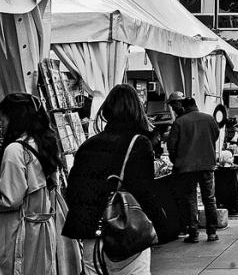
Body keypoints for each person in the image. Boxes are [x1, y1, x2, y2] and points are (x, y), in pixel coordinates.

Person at [0, 93, 79, 275]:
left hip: (17, 232)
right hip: (42, 231)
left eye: (3, 119)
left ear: (15, 119)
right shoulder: (45, 145)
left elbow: (9, 199)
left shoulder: (15, 150)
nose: (1, 125)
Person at [64, 84, 166, 275]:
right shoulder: (139, 143)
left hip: (91, 235)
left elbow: (73, 192)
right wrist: (159, 224)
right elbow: (144, 191)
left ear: (107, 111)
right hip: (126, 233)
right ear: (137, 109)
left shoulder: (88, 145)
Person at [166, 92, 219, 243]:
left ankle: (193, 233)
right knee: (209, 198)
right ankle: (212, 232)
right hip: (207, 164)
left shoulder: (180, 122)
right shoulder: (209, 118)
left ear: (183, 105)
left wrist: (175, 160)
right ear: (196, 105)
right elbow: (215, 135)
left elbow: (171, 146)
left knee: (190, 199)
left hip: (186, 167)